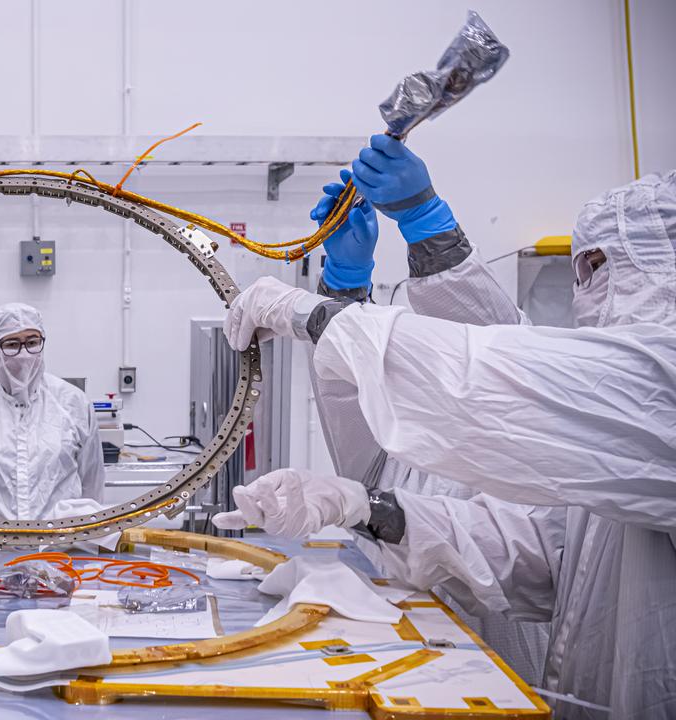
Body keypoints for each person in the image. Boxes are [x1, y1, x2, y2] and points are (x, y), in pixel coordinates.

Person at [219, 140, 676, 718]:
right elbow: (531, 559)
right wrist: (363, 506)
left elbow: (484, 371)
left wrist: (317, 310)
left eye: (597, 267)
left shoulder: (645, 391)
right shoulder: (591, 434)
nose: (584, 291)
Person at [246, 160, 553, 683]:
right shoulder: (414, 429)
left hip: (499, 668)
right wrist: (343, 290)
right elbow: (352, 410)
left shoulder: (529, 424)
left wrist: (427, 227)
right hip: (392, 659)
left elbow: (504, 359)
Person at [0, 302, 105, 520]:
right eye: (12, 344)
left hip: (59, 547)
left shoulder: (73, 404)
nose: (24, 354)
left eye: (32, 342)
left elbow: (92, 485)